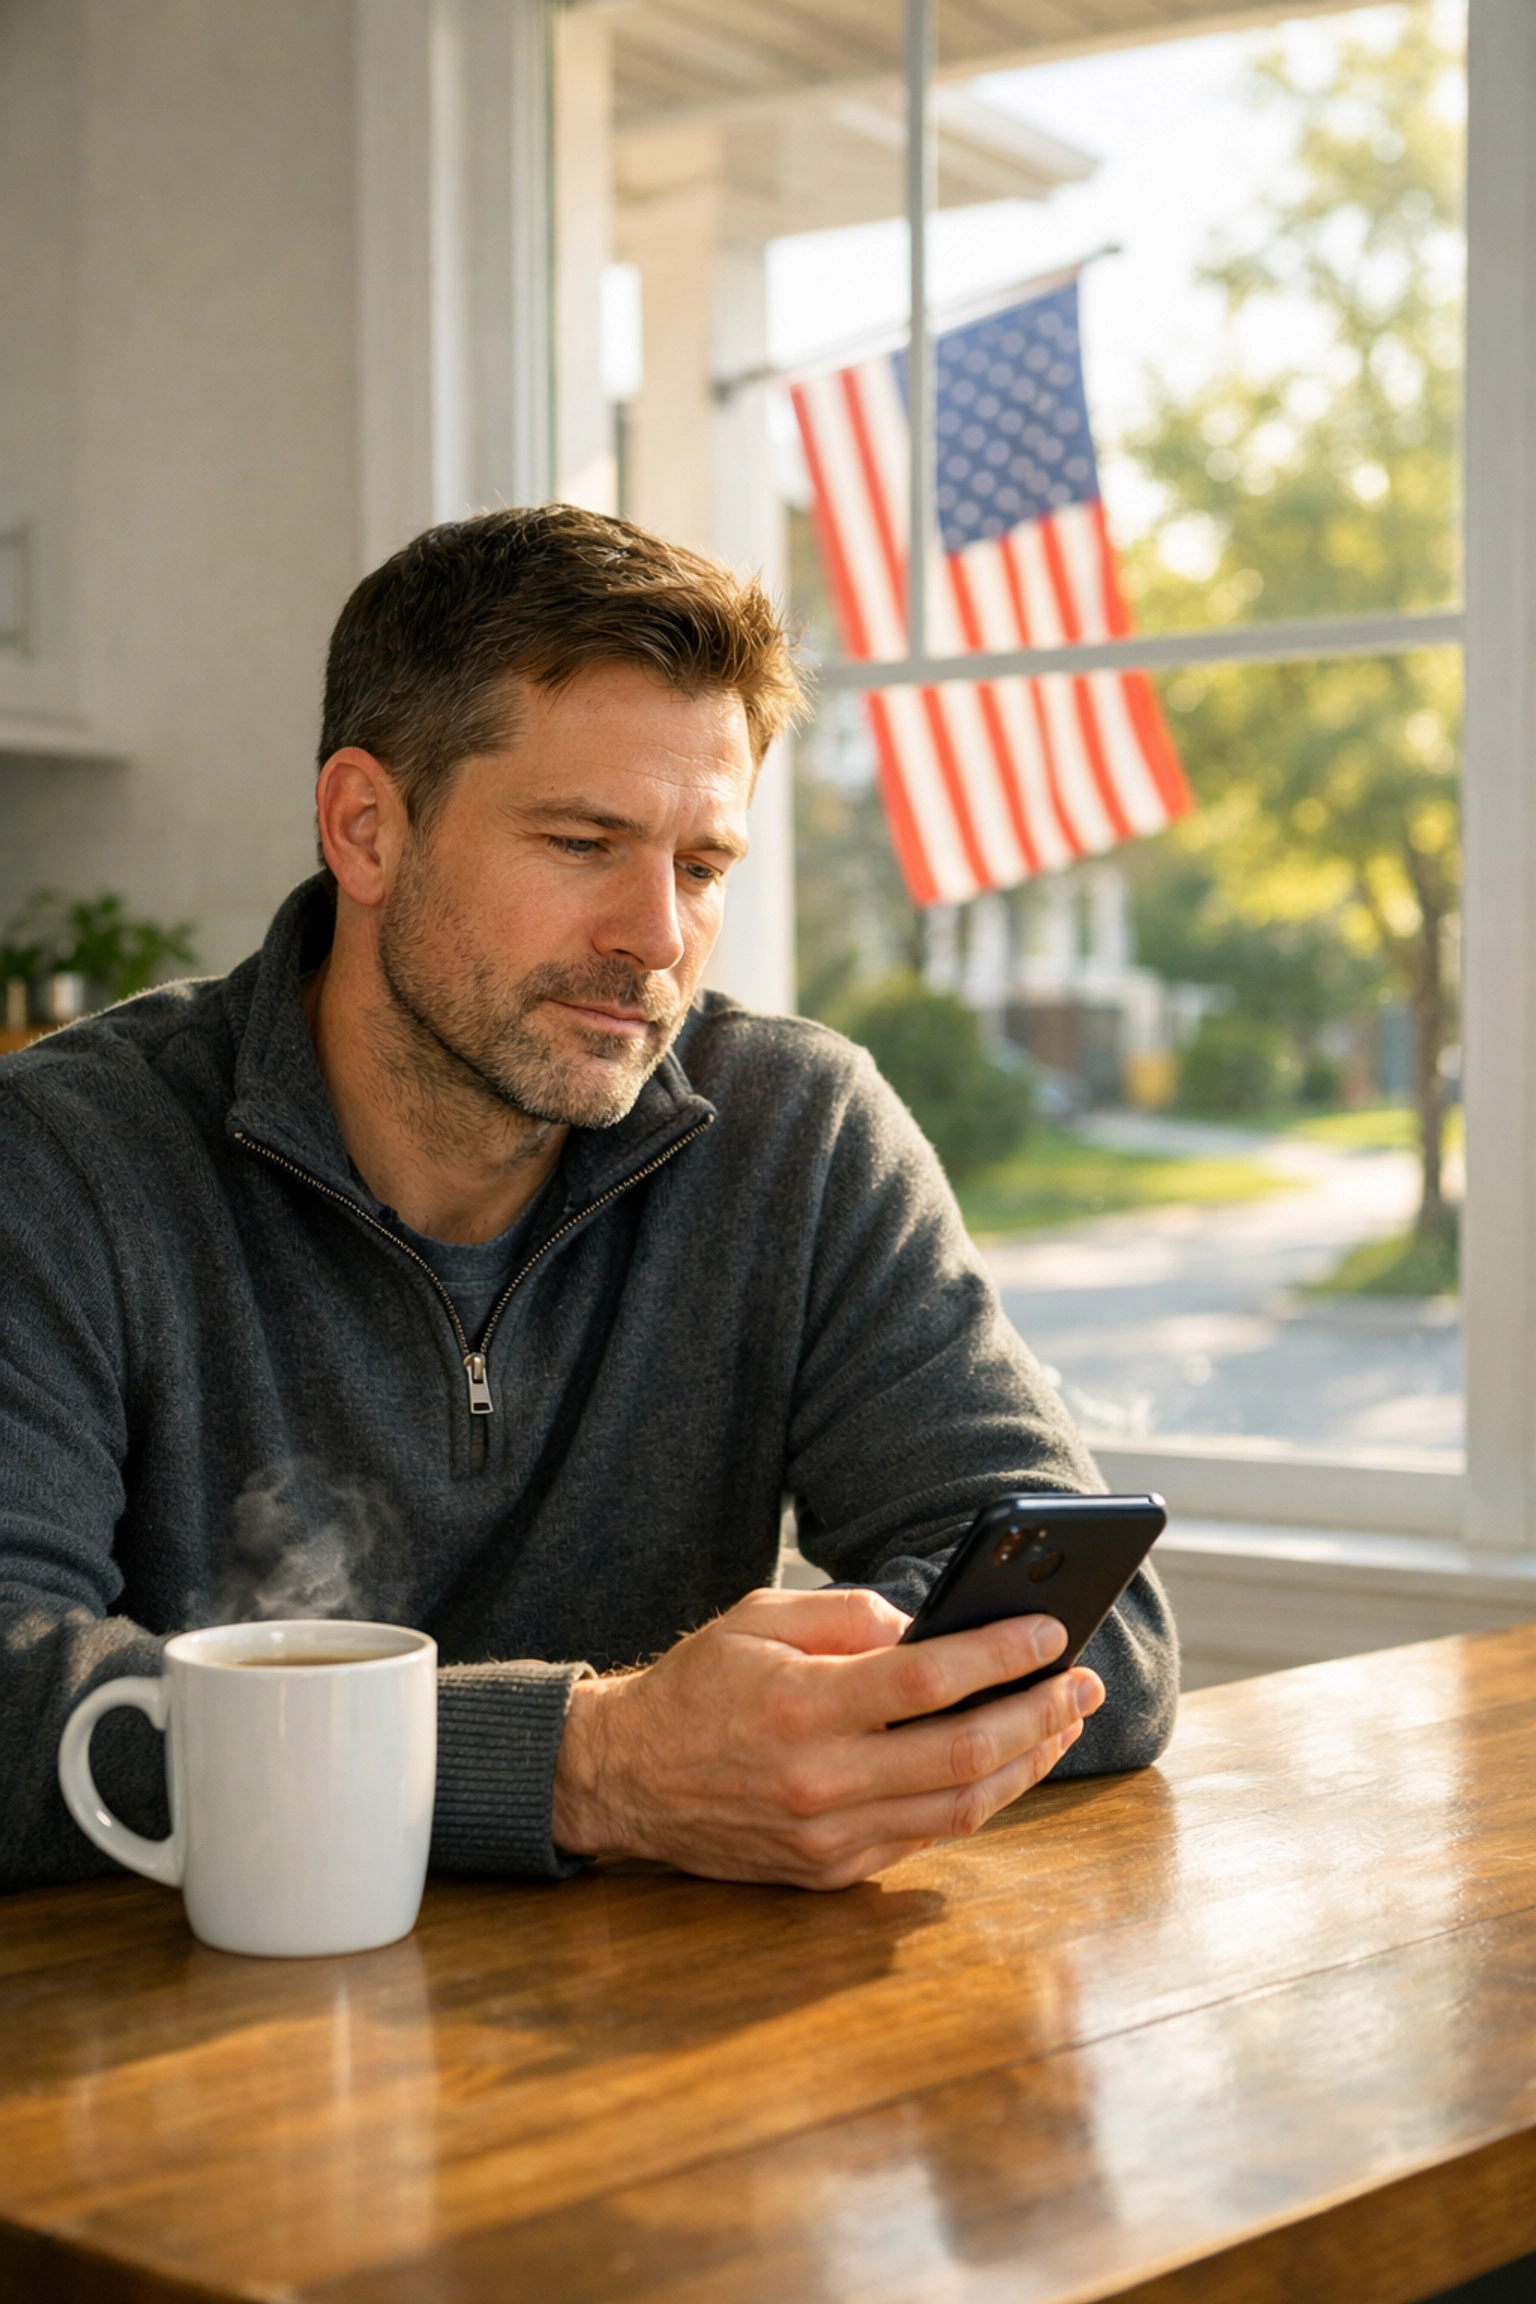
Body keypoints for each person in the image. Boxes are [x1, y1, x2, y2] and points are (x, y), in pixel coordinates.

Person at [0, 505, 1176, 1896]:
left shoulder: (800, 1136)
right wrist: (593, 1764)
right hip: (191, 2053)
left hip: (669, 2055)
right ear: (367, 828)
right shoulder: (64, 1161)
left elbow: (1096, 1630)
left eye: (702, 866)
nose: (656, 939)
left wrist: (804, 1725)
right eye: (580, 844)